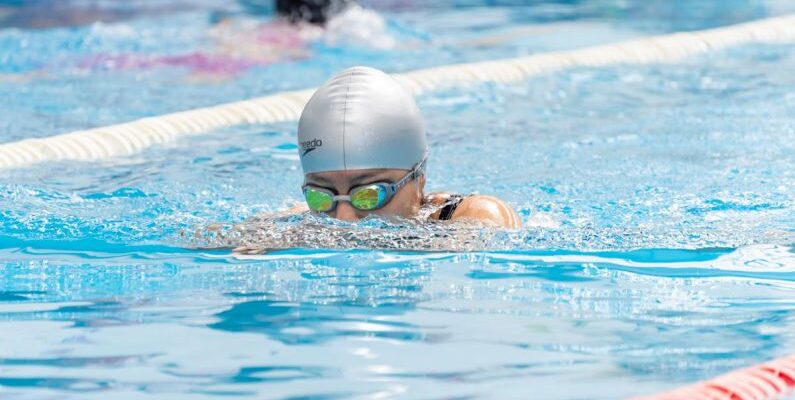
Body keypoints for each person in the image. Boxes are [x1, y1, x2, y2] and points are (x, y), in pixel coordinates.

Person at [295, 66, 522, 228]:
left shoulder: (477, 215)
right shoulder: (305, 219)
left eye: (369, 195)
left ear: (418, 179)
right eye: (320, 197)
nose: (343, 221)